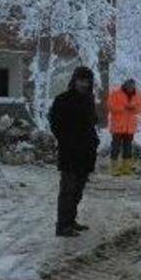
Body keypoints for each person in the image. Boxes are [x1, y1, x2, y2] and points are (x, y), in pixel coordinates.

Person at [48, 66, 100, 238]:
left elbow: (91, 122)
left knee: (78, 190)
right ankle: (62, 226)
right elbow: (54, 123)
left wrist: (94, 140)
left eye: (87, 81)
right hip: (70, 153)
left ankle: (71, 221)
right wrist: (66, 140)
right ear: (74, 80)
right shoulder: (63, 100)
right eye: (81, 80)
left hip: (86, 153)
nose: (84, 84)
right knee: (68, 190)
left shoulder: (89, 99)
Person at [107, 79, 141, 177]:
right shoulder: (116, 94)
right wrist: (123, 108)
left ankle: (126, 169)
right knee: (115, 147)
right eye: (129, 86)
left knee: (128, 148)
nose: (130, 88)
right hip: (118, 127)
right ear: (125, 85)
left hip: (130, 127)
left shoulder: (138, 95)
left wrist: (134, 108)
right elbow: (110, 106)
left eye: (132, 86)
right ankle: (114, 168)